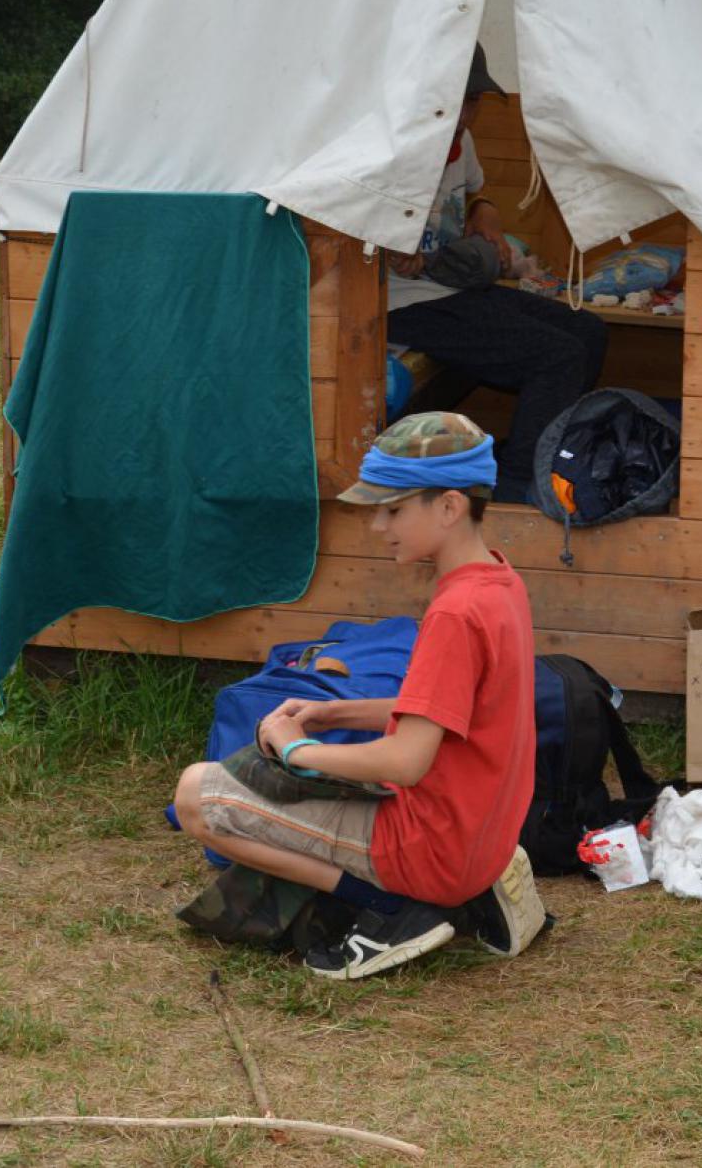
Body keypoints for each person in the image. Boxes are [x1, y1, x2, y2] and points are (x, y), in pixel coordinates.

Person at [171, 412, 547, 979]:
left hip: (427, 850)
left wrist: (297, 750)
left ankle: (390, 908)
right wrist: (332, 713)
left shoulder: (455, 612)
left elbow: (406, 760)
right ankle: (468, 889)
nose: (377, 525)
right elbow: (447, 714)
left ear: (449, 507)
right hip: (483, 840)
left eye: (393, 509)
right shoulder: (499, 584)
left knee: (196, 796)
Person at [381, 46, 606, 505]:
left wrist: (485, 214)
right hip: (405, 303)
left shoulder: (461, 144)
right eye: (455, 102)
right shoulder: (391, 151)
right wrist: (391, 250)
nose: (464, 115)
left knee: (589, 330)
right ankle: (517, 487)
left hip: (451, 289)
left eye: (473, 102)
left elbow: (475, 195)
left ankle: (539, 454)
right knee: (558, 356)